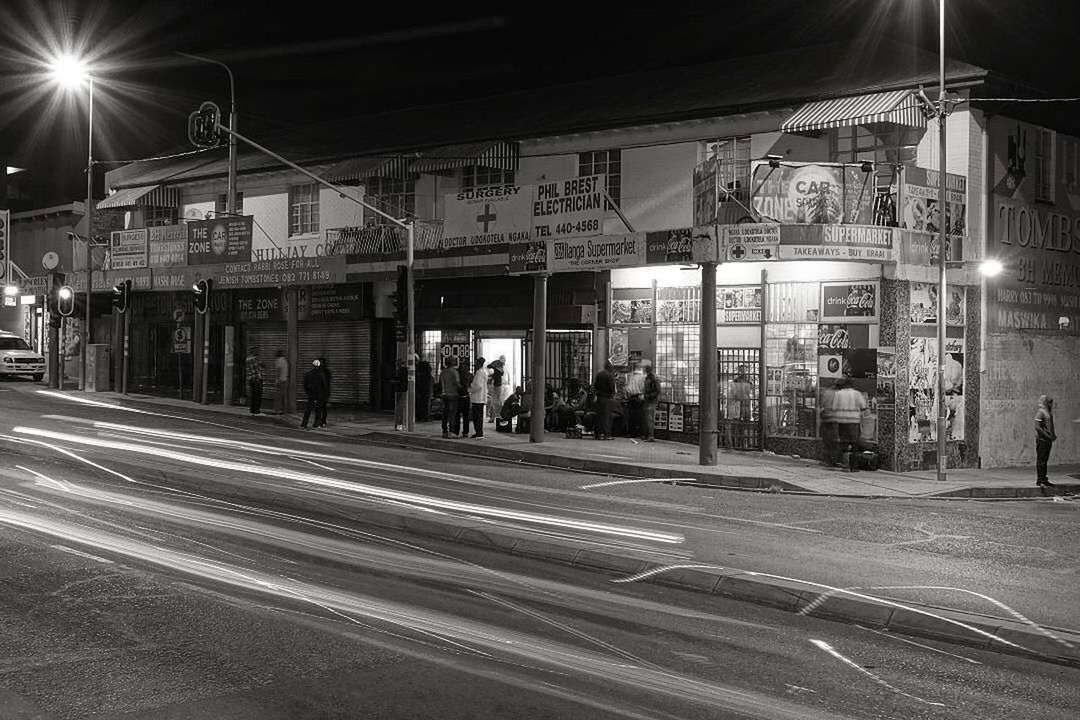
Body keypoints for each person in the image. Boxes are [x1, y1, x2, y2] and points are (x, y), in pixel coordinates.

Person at [833, 376, 867, 470]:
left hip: (842, 421)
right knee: (855, 444)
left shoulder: (838, 394)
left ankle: (846, 464)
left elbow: (834, 407)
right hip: (854, 422)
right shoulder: (857, 394)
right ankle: (854, 466)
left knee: (844, 443)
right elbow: (863, 406)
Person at [1035, 394, 1057, 487]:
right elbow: (1037, 427)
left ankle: (1044, 479)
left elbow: (1050, 425)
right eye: (1049, 402)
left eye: (1051, 402)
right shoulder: (1041, 412)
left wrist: (1053, 435)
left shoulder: (1048, 412)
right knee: (1041, 460)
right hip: (1042, 439)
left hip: (1047, 439)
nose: (1051, 404)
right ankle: (1040, 480)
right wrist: (1047, 435)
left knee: (1045, 459)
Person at [300, 359, 328, 429]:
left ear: (312, 366)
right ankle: (316, 424)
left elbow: (305, 385)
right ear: (319, 366)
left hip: (311, 394)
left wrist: (308, 392)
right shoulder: (321, 374)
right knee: (318, 410)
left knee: (308, 410)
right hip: (319, 394)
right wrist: (323, 394)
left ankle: (304, 424)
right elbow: (325, 385)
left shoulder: (308, 374)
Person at [439, 357, 461, 438]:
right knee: (452, 414)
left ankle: (444, 431)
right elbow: (457, 383)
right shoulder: (454, 372)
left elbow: (440, 383)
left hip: (445, 395)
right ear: (453, 363)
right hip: (453, 394)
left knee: (445, 413)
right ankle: (451, 431)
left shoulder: (443, 372)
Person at [594, 361, 616, 440]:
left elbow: (595, 385)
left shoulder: (599, 374)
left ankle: (598, 434)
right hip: (606, 398)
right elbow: (612, 387)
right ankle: (607, 434)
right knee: (607, 416)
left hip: (599, 397)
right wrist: (612, 394)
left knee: (599, 416)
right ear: (609, 368)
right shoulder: (609, 376)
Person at [469, 357, 489, 438]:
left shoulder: (479, 373)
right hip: (481, 397)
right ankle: (479, 432)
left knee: (476, 417)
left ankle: (479, 432)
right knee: (479, 416)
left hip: (477, 398)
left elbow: (478, 386)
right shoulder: (484, 372)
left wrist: (470, 389)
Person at [625, 360, 646, 437]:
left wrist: (628, 395)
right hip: (640, 397)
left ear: (634, 367)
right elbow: (644, 388)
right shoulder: (643, 377)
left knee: (631, 416)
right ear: (640, 368)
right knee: (640, 416)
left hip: (632, 398)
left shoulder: (630, 376)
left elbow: (627, 388)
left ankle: (632, 432)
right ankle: (640, 432)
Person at [820, 383, 838, 466]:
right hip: (835, 420)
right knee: (833, 441)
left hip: (826, 418)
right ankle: (833, 460)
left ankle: (827, 460)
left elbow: (822, 404)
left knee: (827, 440)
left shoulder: (826, 392)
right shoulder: (839, 393)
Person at [642, 361, 660, 442]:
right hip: (649, 400)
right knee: (647, 418)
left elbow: (657, 391)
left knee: (649, 418)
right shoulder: (649, 378)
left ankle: (650, 436)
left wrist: (648, 396)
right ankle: (648, 435)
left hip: (651, 401)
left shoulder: (652, 378)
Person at [487, 356, 506, 421]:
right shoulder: (498, 365)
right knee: (496, 401)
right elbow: (489, 367)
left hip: (497, 385)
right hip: (496, 385)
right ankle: (497, 415)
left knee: (496, 401)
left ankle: (494, 416)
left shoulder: (498, 366)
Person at [246, 347, 263, 415]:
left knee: (253, 395)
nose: (257, 352)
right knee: (258, 395)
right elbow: (259, 367)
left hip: (251, 379)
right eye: (256, 351)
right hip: (257, 379)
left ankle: (252, 409)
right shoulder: (256, 359)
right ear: (253, 352)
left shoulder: (247, 359)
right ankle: (256, 410)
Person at [457, 358, 472, 438]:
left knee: (457, 415)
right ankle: (465, 432)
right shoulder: (469, 375)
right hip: (466, 396)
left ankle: (456, 431)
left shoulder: (457, 374)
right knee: (466, 416)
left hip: (458, 397)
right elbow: (471, 385)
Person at [392, 357, 408, 431]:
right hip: (401, 390)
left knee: (399, 409)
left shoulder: (401, 371)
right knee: (400, 408)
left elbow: (400, 381)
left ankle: (399, 425)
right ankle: (399, 424)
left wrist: (395, 382)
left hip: (401, 390)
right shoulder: (403, 370)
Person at [416, 355, 433, 422]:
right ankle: (425, 417)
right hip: (426, 391)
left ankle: (419, 416)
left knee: (419, 403)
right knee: (426, 404)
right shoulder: (428, 376)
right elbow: (429, 384)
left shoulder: (418, 375)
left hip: (420, 391)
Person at [273, 349, 289, 415]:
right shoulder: (284, 360)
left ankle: (277, 411)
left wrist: (277, 380)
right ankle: (284, 410)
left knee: (278, 397)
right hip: (285, 380)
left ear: (278, 354)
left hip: (281, 380)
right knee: (284, 396)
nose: (274, 354)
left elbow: (278, 371)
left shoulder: (278, 360)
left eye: (275, 353)